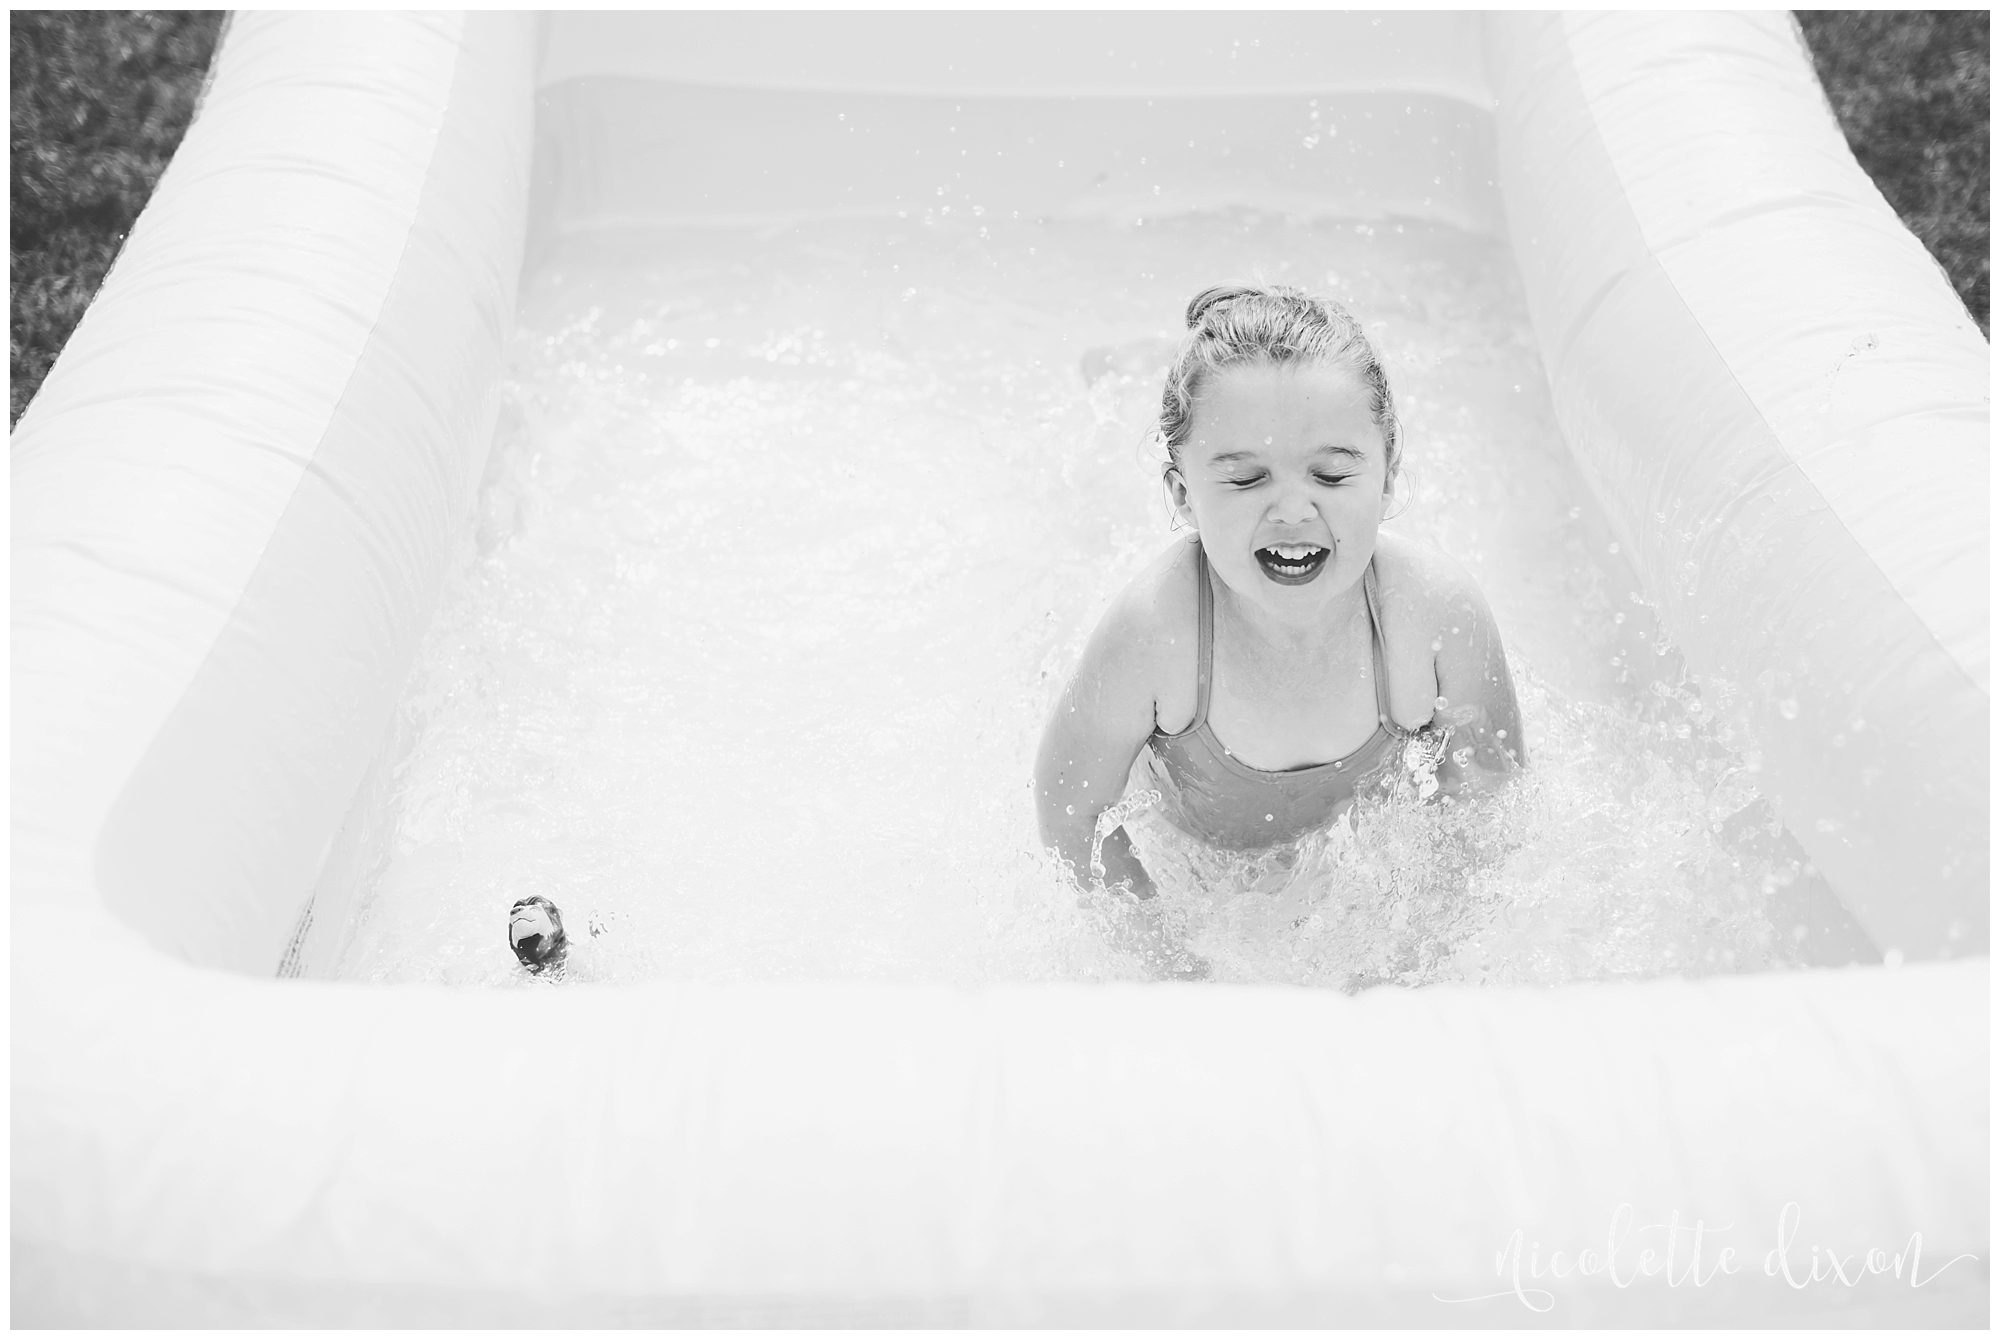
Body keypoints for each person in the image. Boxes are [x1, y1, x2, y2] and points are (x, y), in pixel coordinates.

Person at [1035, 283, 1525, 912]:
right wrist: (1163, 952)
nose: (1293, 510)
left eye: (1331, 475)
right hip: (1188, 852)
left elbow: (1488, 803)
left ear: (1387, 478)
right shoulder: (1155, 633)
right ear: (1183, 495)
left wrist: (1422, 938)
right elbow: (1070, 810)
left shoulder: (1433, 614)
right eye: (1246, 479)